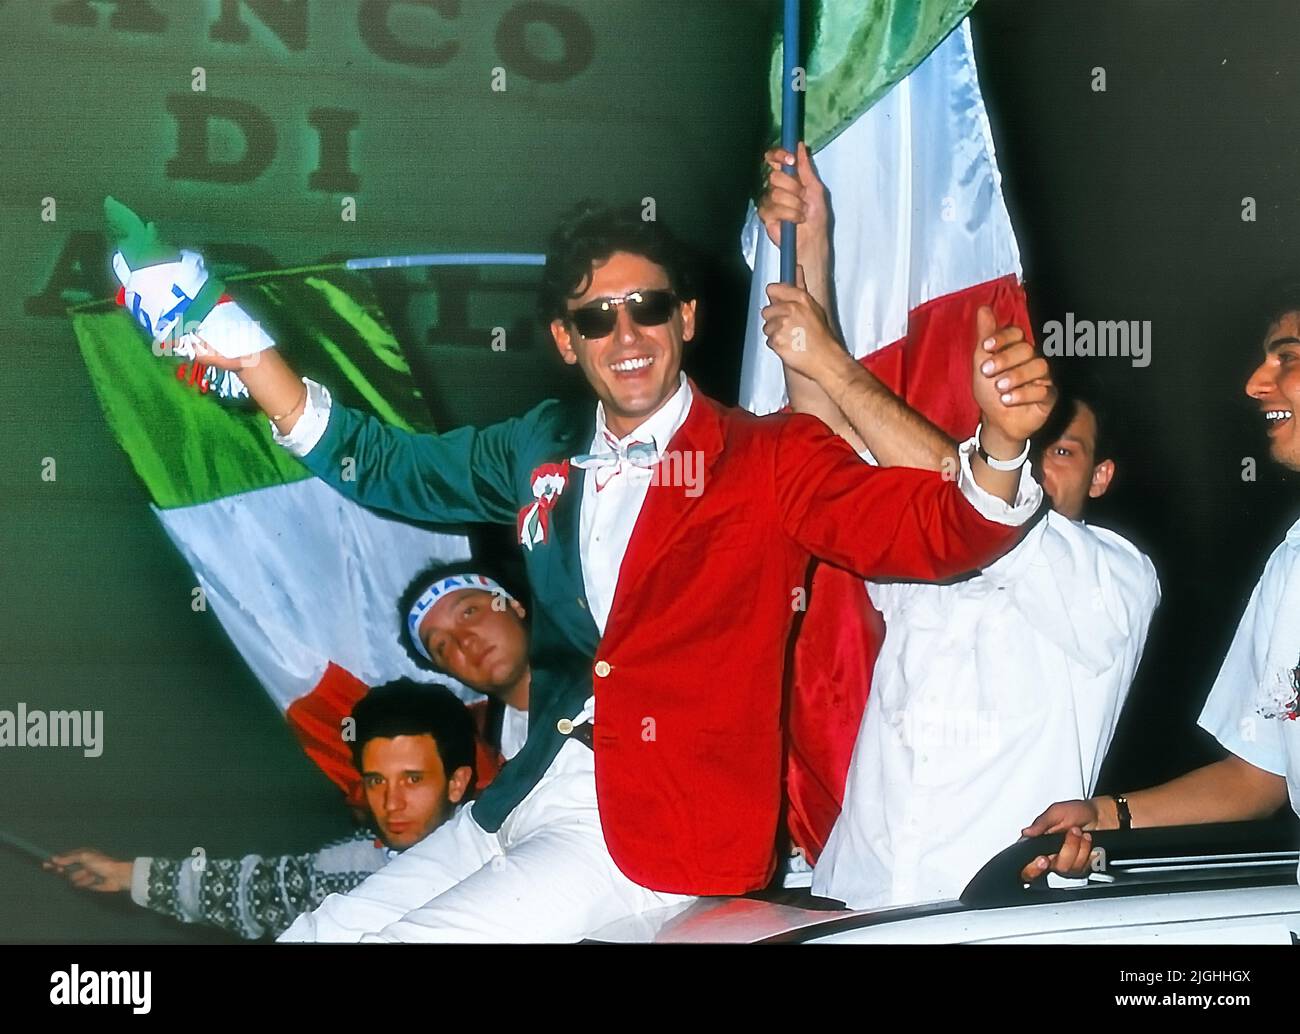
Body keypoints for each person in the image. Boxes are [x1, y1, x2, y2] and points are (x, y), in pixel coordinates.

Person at [108, 194, 1048, 941]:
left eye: (646, 308)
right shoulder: (540, 446)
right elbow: (385, 468)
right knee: (319, 935)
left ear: (686, 318)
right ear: (567, 342)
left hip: (655, 832)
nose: (625, 334)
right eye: (597, 318)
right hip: (528, 790)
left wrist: (1001, 446)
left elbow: (934, 533)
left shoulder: (770, 457)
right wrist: (249, 348)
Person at [758, 144, 1160, 907]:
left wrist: (836, 359)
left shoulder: (1118, 581)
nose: (1035, 464)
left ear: (1103, 477)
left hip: (986, 917)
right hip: (852, 907)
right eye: (1020, 442)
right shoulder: (928, 559)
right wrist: (812, 245)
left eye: (1062, 449)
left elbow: (982, 500)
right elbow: (830, 458)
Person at [1019, 293, 1300, 882]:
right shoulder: (1290, 563)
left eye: (1287, 357)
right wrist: (1102, 813)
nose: (1254, 383)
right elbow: (1260, 776)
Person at [45, 681, 475, 940]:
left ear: (456, 783)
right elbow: (246, 890)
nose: (391, 803)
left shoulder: (496, 853)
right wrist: (123, 874)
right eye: (376, 781)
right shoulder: (344, 865)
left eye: (413, 779)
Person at [397, 561, 531, 782]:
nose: (464, 640)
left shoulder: (602, 672)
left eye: (469, 612)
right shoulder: (492, 767)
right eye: (442, 645)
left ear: (514, 605)